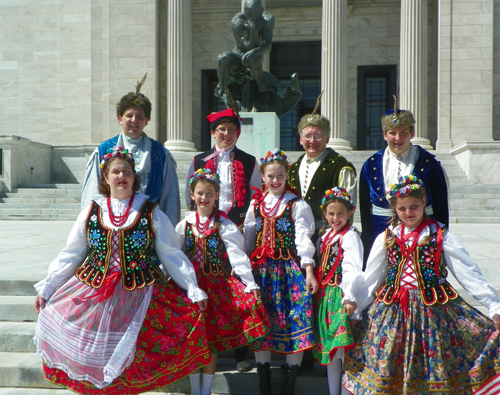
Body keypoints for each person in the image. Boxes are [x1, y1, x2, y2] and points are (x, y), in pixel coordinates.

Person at [33, 147, 211, 395]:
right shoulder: (91, 211)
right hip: (95, 294)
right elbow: (72, 253)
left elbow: (171, 253)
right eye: (115, 171)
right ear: (105, 177)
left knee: (132, 361)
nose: (121, 176)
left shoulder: (150, 211)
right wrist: (49, 286)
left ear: (134, 176)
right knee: (98, 358)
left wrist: (192, 288)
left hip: (140, 294)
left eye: (126, 171)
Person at [343, 175, 500, 395]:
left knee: (432, 363)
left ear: (424, 202)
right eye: (402, 209)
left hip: (433, 311)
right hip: (392, 310)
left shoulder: (440, 235)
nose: (408, 213)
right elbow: (372, 276)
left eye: (414, 207)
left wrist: (493, 306)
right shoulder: (387, 237)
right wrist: (357, 307)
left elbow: (469, 274)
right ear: (394, 209)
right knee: (388, 361)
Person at [176, 168, 271, 395]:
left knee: (210, 341)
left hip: (215, 287)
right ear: (192, 195)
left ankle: (205, 390)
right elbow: (174, 254)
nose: (204, 197)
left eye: (209, 193)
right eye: (200, 193)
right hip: (189, 288)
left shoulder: (224, 224)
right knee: (192, 340)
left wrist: (250, 283)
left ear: (217, 195)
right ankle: (195, 389)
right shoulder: (185, 224)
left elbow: (237, 255)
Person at [186, 107, 261, 372]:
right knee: (209, 286)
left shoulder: (250, 161)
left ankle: (241, 352)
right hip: (207, 231)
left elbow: (256, 196)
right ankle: (206, 346)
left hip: (236, 230)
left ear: (237, 133)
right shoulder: (199, 160)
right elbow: (191, 195)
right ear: (213, 133)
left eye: (231, 130)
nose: (226, 134)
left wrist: (245, 227)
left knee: (237, 286)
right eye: (222, 130)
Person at [244, 149, 318, 395]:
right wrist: (245, 272)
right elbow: (248, 238)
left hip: (288, 271)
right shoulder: (256, 204)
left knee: (296, 318)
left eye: (280, 176)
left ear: (287, 177)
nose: (275, 181)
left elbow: (304, 240)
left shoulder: (297, 204)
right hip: (262, 272)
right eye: (270, 176)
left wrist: (308, 271)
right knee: (261, 321)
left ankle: (289, 382)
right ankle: (263, 379)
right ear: (263, 177)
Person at [81, 75, 180, 225]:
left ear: (146, 120)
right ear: (120, 119)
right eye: (129, 116)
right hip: (111, 223)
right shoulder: (103, 151)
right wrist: (89, 226)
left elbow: (170, 198)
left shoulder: (160, 154)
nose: (134, 120)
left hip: (149, 224)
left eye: (139, 116)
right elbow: (91, 194)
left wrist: (170, 236)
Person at [359, 107, 449, 265]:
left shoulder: (429, 164)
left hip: (421, 232)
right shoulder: (371, 165)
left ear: (412, 134)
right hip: (380, 231)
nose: (398, 138)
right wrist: (367, 243)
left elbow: (441, 206)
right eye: (392, 133)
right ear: (384, 135)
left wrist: (441, 242)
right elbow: (365, 210)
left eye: (403, 133)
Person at [312, 187, 363, 395]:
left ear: (350, 213)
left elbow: (353, 266)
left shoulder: (350, 236)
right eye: (331, 213)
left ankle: (345, 391)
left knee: (342, 349)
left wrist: (349, 296)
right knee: (330, 349)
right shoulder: (325, 236)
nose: (335, 218)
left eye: (340, 213)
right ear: (324, 214)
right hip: (325, 297)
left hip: (340, 296)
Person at [288, 112, 356, 240]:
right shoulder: (294, 168)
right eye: (307, 136)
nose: (312, 141)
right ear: (301, 140)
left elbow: (348, 206)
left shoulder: (340, 166)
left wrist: (339, 237)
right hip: (297, 235)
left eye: (318, 136)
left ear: (327, 139)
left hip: (327, 234)